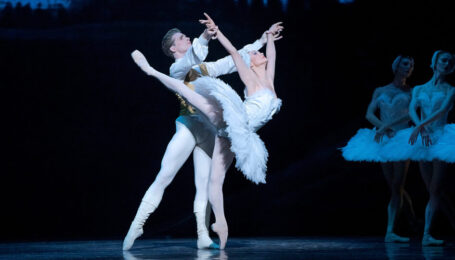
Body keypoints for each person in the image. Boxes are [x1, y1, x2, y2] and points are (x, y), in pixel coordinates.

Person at [131, 13, 283, 249]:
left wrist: (265, 39)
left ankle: (205, 234)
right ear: (173, 47)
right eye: (182, 37)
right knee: (166, 174)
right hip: (191, 125)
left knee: (207, 183)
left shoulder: (206, 67)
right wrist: (205, 36)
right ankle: (137, 225)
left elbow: (236, 58)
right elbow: (195, 55)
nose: (187, 37)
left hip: (215, 129)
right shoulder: (177, 67)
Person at [342, 56, 417, 242]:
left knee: (397, 185)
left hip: (401, 139)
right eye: (405, 64)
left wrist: (388, 126)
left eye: (412, 65)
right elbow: (369, 113)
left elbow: (412, 115)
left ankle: (390, 231)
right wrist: (383, 127)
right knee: (394, 186)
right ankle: (413, 220)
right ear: (396, 66)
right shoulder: (380, 90)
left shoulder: (412, 91)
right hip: (383, 138)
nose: (409, 68)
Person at [406, 50, 455, 245]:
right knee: (433, 190)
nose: (447, 63)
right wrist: (421, 128)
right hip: (423, 140)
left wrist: (419, 126)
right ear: (435, 62)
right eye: (444, 60)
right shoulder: (418, 88)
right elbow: (411, 109)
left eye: (450, 62)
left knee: (435, 189)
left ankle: (427, 234)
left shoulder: (451, 89)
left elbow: (443, 110)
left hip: (442, 139)